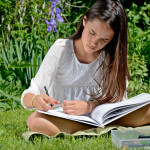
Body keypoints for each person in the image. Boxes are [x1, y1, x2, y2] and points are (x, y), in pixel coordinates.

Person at [21, 0, 150, 136]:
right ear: (84, 21)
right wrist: (35, 100)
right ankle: (97, 131)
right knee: (34, 120)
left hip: (102, 118)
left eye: (104, 40)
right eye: (92, 32)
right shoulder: (62, 49)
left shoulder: (111, 56)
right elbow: (30, 93)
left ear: (112, 40)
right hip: (66, 118)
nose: (94, 43)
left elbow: (119, 103)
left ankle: (87, 132)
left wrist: (91, 106)